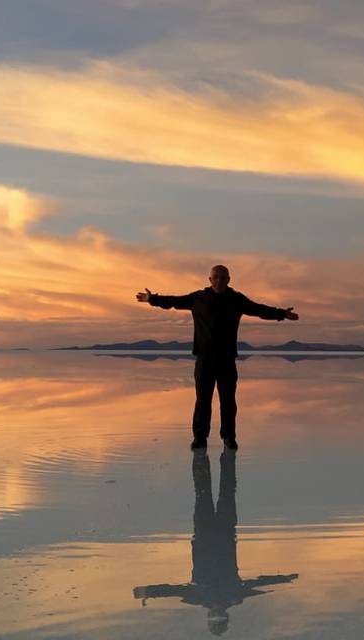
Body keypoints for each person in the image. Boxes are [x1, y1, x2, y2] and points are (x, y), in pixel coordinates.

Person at [132, 450, 298, 635]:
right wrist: (284, 579)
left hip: (203, 534)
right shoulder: (236, 596)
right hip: (225, 533)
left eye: (213, 618)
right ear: (226, 616)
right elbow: (261, 585)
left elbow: (172, 591)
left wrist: (148, 591)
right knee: (226, 492)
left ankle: (202, 457)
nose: (216, 613)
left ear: (208, 616)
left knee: (203, 494)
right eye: (220, 618)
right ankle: (226, 455)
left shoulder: (197, 598)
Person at [136, 265, 298, 450]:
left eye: (223, 277)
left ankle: (229, 437)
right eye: (216, 277)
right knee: (202, 401)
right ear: (210, 279)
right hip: (204, 359)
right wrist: (152, 299)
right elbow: (174, 301)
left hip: (226, 359)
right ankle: (199, 438)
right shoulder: (198, 298)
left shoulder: (236, 299)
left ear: (229, 279)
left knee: (228, 401)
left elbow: (259, 310)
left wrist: (282, 314)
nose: (219, 280)